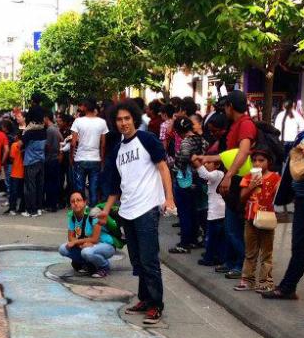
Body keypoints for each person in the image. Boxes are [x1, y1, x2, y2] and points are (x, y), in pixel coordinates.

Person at [99, 100, 176, 325]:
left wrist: (169, 197)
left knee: (149, 259)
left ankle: (156, 304)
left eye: (127, 118)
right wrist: (105, 210)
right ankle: (145, 298)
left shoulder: (147, 139)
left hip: (147, 208)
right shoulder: (117, 150)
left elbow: (163, 167)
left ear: (134, 118)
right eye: (119, 119)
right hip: (127, 210)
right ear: (114, 123)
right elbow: (115, 187)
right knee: (137, 260)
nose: (123, 123)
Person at [263, 98, 304, 300]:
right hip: (303, 196)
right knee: (299, 244)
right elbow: (292, 164)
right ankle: (289, 286)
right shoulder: (303, 136)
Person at [218, 91, 256, 279]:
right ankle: (232, 261)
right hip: (235, 180)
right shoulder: (236, 124)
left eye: (225, 106)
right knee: (230, 226)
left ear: (230, 106)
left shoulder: (245, 124)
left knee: (235, 227)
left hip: (241, 181)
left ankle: (242, 265)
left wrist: (229, 175)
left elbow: (243, 152)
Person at [235, 150, 281, 292]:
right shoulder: (248, 177)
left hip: (266, 219)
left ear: (269, 162)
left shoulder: (275, 178)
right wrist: (251, 186)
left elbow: (279, 196)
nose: (257, 163)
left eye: (261, 160)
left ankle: (266, 282)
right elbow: (242, 197)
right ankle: (247, 280)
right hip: (250, 218)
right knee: (250, 252)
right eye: (254, 160)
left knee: (266, 253)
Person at [59, 191, 117, 279]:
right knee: (63, 248)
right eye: (73, 201)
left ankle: (104, 266)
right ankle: (86, 263)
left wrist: (78, 242)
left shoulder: (93, 215)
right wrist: (81, 244)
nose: (76, 203)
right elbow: (71, 238)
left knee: (86, 252)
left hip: (105, 245)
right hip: (86, 245)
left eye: (78, 200)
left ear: (85, 202)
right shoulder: (72, 216)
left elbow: (95, 239)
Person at [170, 116, 206, 254]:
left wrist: (176, 167)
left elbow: (184, 157)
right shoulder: (201, 139)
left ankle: (185, 243)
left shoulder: (186, 141)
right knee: (193, 211)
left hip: (185, 180)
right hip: (198, 178)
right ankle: (193, 239)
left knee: (184, 212)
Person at [71, 99, 107, 206]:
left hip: (80, 158)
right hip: (95, 159)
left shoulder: (78, 121)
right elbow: (103, 144)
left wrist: (72, 157)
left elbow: (73, 143)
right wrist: (102, 160)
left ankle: (81, 210)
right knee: (93, 188)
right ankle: (93, 211)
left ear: (85, 107)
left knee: (79, 188)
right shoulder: (102, 122)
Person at [192, 154, 226, 267]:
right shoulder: (219, 174)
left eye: (209, 163)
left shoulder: (217, 174)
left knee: (212, 237)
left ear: (218, 165)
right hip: (217, 211)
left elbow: (205, 174)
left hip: (216, 212)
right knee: (219, 237)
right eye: (205, 163)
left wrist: (197, 163)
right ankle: (218, 257)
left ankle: (209, 258)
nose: (206, 164)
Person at [21, 106, 47, 218]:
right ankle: (39, 208)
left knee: (30, 187)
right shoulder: (43, 131)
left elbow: (20, 144)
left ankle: (31, 210)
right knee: (39, 186)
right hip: (41, 161)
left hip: (30, 162)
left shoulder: (29, 133)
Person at [43, 111, 62, 212]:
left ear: (46, 118)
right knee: (55, 182)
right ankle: (54, 204)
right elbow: (62, 139)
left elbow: (47, 145)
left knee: (49, 183)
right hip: (56, 158)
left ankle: (51, 204)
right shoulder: (56, 128)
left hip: (50, 159)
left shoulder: (49, 130)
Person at [7, 132, 25, 215]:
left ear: (17, 136)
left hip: (15, 171)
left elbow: (12, 158)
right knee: (22, 192)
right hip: (24, 171)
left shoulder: (14, 145)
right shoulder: (26, 145)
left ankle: (12, 208)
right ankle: (22, 208)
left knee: (13, 192)